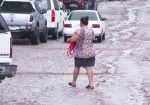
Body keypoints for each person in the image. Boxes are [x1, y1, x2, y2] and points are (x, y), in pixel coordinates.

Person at [67, 16, 95, 89]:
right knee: (89, 67)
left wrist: (69, 39)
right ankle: (91, 84)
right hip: (90, 53)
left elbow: (73, 39)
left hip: (80, 53)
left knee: (77, 67)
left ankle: (74, 82)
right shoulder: (91, 31)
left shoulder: (79, 31)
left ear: (81, 22)